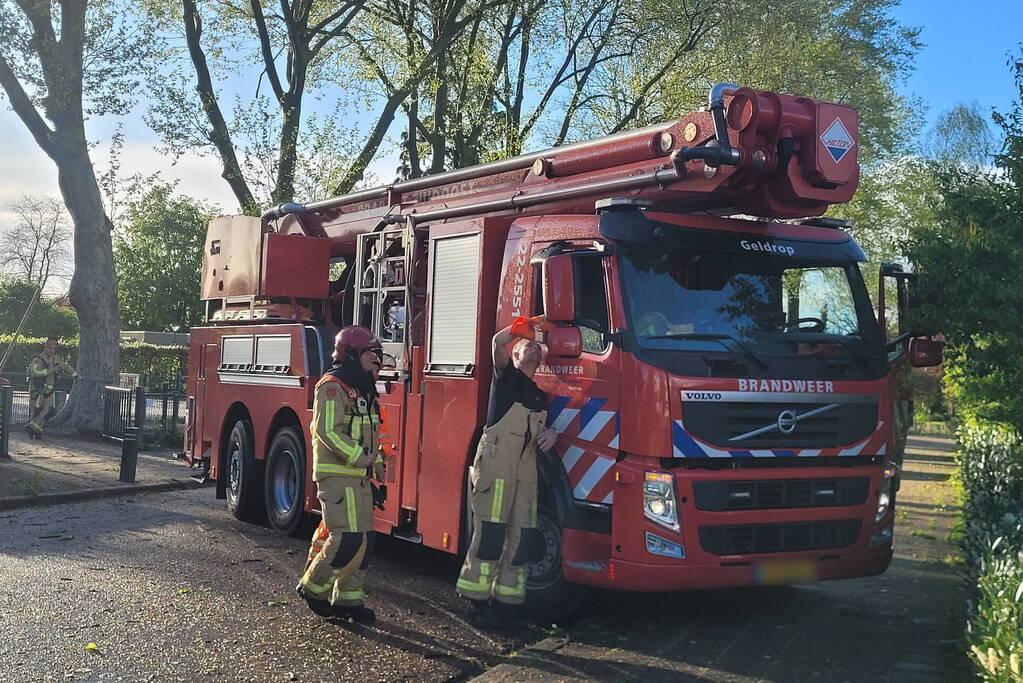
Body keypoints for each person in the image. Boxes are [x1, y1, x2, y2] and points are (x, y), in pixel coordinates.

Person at [456, 316, 558, 627]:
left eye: (537, 347)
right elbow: (496, 343)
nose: (534, 350)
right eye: (527, 346)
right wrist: (517, 329)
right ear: (514, 355)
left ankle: (507, 604)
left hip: (524, 467)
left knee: (523, 534)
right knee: (491, 532)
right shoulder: (504, 378)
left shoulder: (540, 396)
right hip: (497, 462)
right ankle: (476, 600)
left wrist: (554, 434)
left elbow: (542, 432)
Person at [296, 325, 386, 624]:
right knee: (346, 538)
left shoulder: (362, 388)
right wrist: (360, 457)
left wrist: (378, 463)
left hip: (358, 476)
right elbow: (326, 432)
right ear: (353, 354)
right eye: (371, 353)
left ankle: (348, 599)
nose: (377, 359)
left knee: (365, 541)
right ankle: (313, 588)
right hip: (338, 476)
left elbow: (370, 435)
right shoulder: (332, 386)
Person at [25, 336, 77, 439]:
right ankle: (36, 431)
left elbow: (65, 366)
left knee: (50, 411)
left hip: (49, 389)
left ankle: (33, 427)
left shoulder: (56, 359)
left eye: (54, 349)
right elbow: (36, 373)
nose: (52, 351)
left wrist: (75, 375)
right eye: (50, 348)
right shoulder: (37, 360)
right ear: (45, 347)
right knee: (37, 411)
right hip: (37, 389)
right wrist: (51, 370)